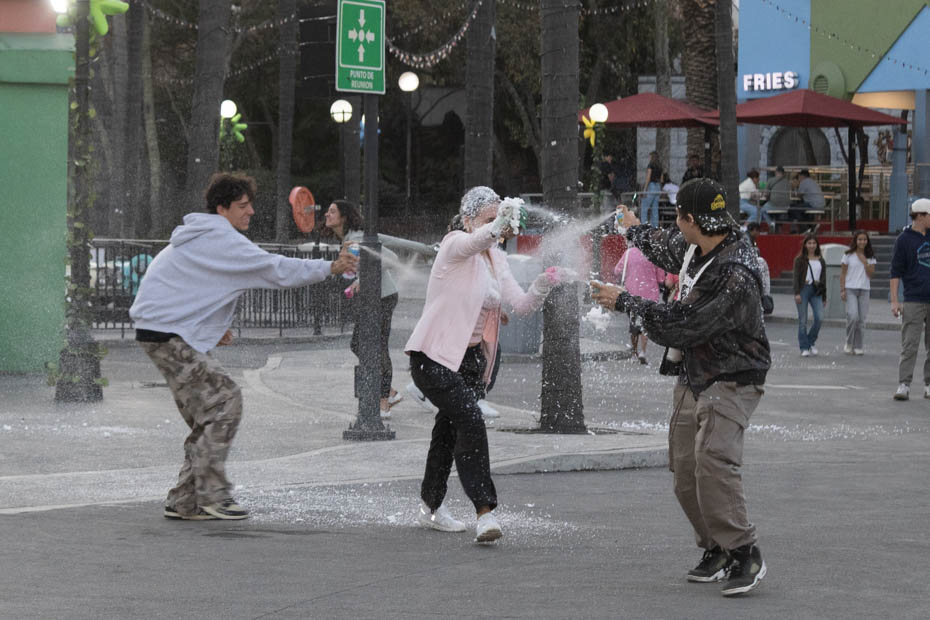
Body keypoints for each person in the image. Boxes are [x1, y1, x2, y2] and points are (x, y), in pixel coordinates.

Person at [129, 173, 357, 521]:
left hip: (163, 330)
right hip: (167, 333)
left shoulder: (201, 236)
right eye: (242, 206)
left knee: (209, 414)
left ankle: (185, 499)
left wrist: (204, 325)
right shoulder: (221, 238)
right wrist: (331, 267)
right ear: (221, 209)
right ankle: (213, 496)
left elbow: (192, 284)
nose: (250, 211)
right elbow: (275, 269)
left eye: (250, 204)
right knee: (225, 401)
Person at [591, 178, 771, 597]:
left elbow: (684, 325)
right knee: (685, 469)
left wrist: (624, 301)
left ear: (691, 219)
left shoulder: (734, 272)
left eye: (678, 218)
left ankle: (744, 551)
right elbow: (664, 245)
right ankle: (716, 547)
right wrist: (633, 228)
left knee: (713, 462)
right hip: (694, 372)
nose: (675, 226)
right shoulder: (698, 244)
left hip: (732, 376)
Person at [405, 187, 566, 543]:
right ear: (468, 220)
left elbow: (521, 304)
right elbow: (476, 241)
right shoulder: (454, 246)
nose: (500, 226)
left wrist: (545, 282)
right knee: (471, 420)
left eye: (502, 218)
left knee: (447, 432)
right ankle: (485, 513)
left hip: (469, 362)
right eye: (490, 219)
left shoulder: (496, 259)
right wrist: (498, 225)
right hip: (433, 357)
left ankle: (430, 507)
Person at [322, 200, 403, 418]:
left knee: (378, 347)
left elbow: (392, 259)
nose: (327, 214)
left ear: (344, 217)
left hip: (383, 297)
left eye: (332, 211)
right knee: (358, 343)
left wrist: (363, 279)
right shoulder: (349, 239)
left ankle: (384, 401)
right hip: (372, 299)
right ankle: (390, 392)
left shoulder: (357, 238)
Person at [890, 198, 930, 400]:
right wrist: (894, 300)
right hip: (914, 298)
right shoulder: (904, 240)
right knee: (910, 344)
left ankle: (929, 384)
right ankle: (904, 384)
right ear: (920, 216)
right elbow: (895, 272)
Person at [613, 245, 667, 364]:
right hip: (650, 294)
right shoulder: (653, 254)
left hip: (632, 294)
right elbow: (661, 278)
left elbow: (617, 270)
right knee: (645, 323)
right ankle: (643, 351)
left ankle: (634, 353)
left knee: (633, 323)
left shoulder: (628, 253)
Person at [840, 230, 877, 355]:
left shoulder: (870, 256)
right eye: (860, 239)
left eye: (864, 239)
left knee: (861, 320)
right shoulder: (848, 255)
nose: (862, 242)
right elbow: (843, 273)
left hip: (864, 290)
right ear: (855, 241)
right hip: (850, 288)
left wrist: (865, 262)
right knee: (853, 316)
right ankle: (849, 342)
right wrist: (842, 290)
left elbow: (871, 274)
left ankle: (858, 346)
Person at [792, 233, 826, 357]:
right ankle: (804, 347)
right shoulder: (799, 260)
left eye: (814, 243)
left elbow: (823, 279)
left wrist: (824, 296)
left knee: (819, 318)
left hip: (816, 290)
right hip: (803, 289)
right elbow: (796, 277)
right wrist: (797, 293)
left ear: (817, 245)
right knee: (803, 320)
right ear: (805, 245)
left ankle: (811, 341)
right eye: (809, 243)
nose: (812, 245)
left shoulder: (821, 260)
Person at [745, 223, 771, 299]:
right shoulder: (746, 240)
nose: (759, 234)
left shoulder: (750, 240)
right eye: (758, 231)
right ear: (754, 230)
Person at [761, 166, 790, 231]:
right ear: (783, 173)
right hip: (786, 206)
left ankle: (771, 224)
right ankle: (777, 226)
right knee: (776, 212)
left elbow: (766, 194)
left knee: (761, 210)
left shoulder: (771, 180)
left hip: (774, 204)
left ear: (776, 172)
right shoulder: (787, 182)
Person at [641, 151, 663, 227]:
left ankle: (644, 225)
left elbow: (648, 178)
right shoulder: (660, 166)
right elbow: (661, 180)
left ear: (652, 157)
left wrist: (645, 190)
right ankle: (655, 226)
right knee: (655, 209)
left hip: (651, 186)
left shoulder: (650, 165)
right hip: (658, 187)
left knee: (644, 207)